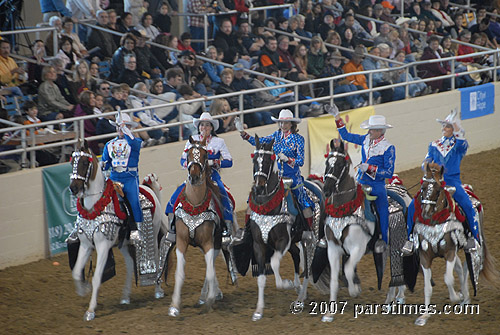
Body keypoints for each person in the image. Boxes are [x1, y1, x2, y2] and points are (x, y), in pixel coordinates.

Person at [403, 109, 480, 254]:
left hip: (452, 182)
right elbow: (426, 160)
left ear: (454, 129)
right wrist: (427, 166)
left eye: (448, 126)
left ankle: (473, 237)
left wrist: (458, 131)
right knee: (413, 205)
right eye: (444, 126)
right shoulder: (434, 144)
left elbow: (462, 145)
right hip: (435, 182)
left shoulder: (459, 145)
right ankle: (410, 239)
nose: (444, 129)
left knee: (467, 205)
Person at [236, 109, 315, 235]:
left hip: (293, 176)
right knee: (254, 197)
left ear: (291, 124)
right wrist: (243, 133)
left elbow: (300, 161)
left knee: (302, 198)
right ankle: (248, 229)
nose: (283, 126)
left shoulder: (298, 139)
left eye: (286, 123)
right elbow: (259, 141)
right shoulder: (275, 136)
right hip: (277, 177)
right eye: (281, 123)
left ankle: (309, 230)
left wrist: (288, 159)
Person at [328, 104, 395, 245]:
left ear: (379, 131)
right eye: (369, 129)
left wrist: (370, 168)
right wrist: (337, 117)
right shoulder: (365, 140)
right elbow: (346, 135)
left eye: (371, 130)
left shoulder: (388, 148)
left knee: (383, 209)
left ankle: (384, 239)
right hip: (360, 181)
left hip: (376, 185)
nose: (369, 132)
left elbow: (388, 172)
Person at [165, 112, 234, 240]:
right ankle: (172, 223)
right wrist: (191, 165)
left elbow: (229, 161)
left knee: (223, 194)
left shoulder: (219, 142)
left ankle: (227, 225)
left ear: (212, 127)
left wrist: (214, 162)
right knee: (178, 192)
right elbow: (182, 160)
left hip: (212, 176)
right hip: (194, 175)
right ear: (199, 127)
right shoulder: (191, 140)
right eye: (202, 125)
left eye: (207, 125)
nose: (204, 128)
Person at [101, 112, 143, 243]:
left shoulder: (135, 142)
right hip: (114, 178)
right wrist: (103, 165)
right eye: (118, 127)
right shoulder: (109, 145)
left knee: (134, 202)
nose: (120, 130)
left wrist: (125, 129)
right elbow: (105, 162)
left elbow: (133, 143)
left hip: (129, 178)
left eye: (123, 127)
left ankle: (137, 228)